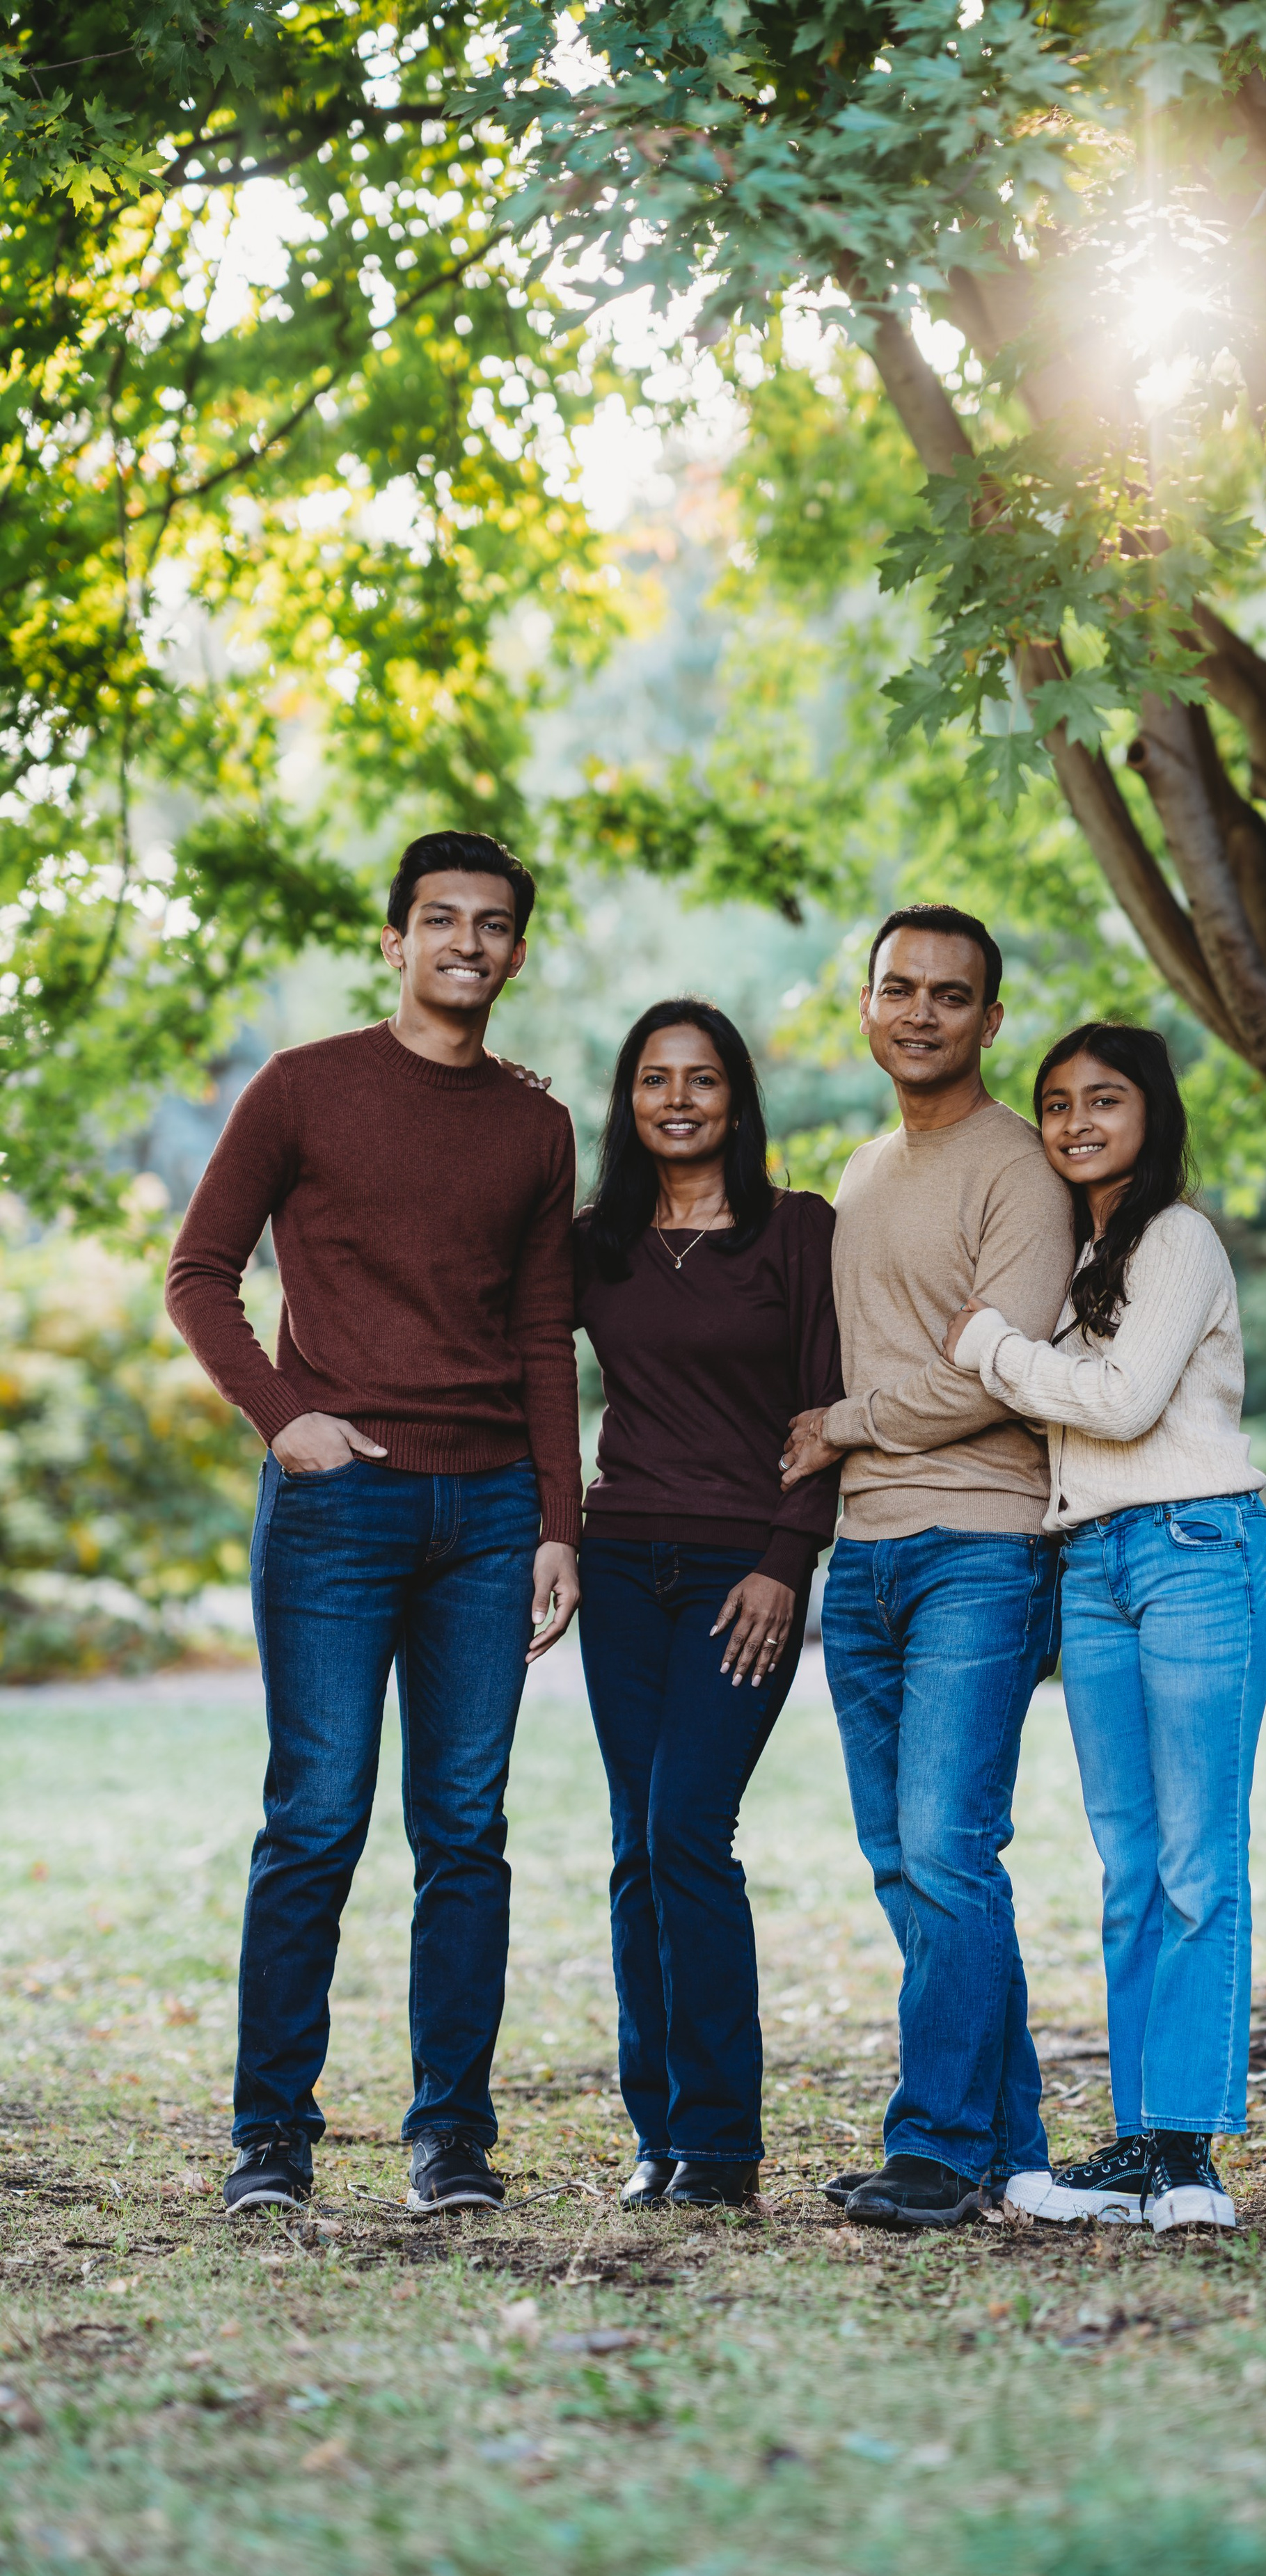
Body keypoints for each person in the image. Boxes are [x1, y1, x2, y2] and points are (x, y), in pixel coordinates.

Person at [165, 830, 583, 2218]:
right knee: (317, 1819)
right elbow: (200, 1275)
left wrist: (556, 1521)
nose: (466, 941)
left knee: (463, 1828)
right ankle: (271, 2136)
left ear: (516, 953)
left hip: (487, 1517)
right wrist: (283, 1417)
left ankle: (449, 2135)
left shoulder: (534, 1124)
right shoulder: (302, 1089)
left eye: (492, 924)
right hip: (337, 1502)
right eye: (440, 919)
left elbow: (538, 1335)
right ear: (394, 941)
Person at [942, 1021, 1266, 2235]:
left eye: (1105, 1099)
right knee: (1130, 1870)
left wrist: (990, 1349)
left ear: (1154, 1113)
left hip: (1196, 1550)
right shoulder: (1081, 1261)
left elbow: (1128, 1405)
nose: (1077, 1121)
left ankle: (1192, 2155)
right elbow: (1081, 1411)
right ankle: (1144, 2142)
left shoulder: (1179, 1239)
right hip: (1089, 1563)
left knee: (1197, 1866)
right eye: (1056, 1103)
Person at [780, 905, 1076, 2231]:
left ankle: (938, 2148)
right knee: (908, 1865)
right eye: (898, 988)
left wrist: (843, 1422)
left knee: (950, 1853)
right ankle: (1008, 2149)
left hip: (982, 1544)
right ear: (865, 1003)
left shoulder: (1019, 1169)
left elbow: (996, 1365)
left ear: (990, 1021)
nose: (919, 1013)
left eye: (950, 996)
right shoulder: (860, 1170)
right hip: (869, 1555)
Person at [576, 1001, 843, 2212]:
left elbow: (827, 1403)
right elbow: (522, 1369)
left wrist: (788, 1560)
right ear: (627, 1101)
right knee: (637, 1847)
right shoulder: (595, 1243)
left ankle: (724, 2145)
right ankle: (659, 2135)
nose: (676, 1099)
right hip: (623, 1562)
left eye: (701, 1078)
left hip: (746, 1570)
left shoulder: (798, 1233)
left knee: (690, 1828)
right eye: (651, 1079)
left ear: (738, 1097)